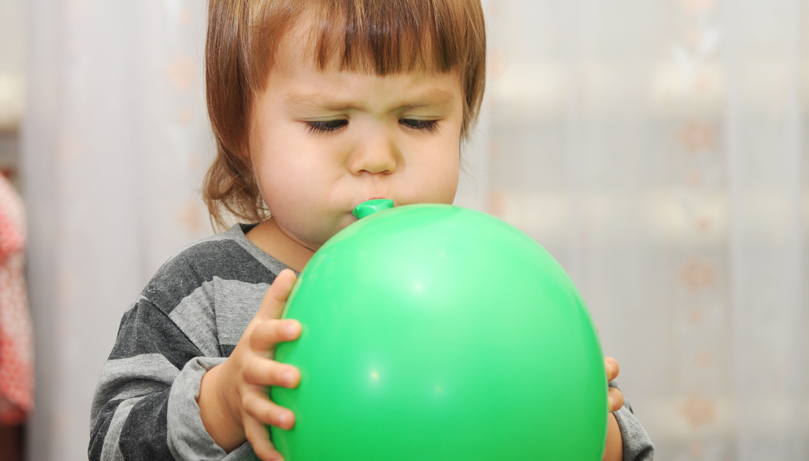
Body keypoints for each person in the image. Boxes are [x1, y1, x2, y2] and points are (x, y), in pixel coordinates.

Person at [89, 1, 654, 460]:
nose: (377, 158)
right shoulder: (200, 291)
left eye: (419, 120)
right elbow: (110, 444)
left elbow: (629, 446)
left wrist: (581, 425)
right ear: (241, 126)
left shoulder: (491, 285)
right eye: (329, 122)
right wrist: (223, 402)